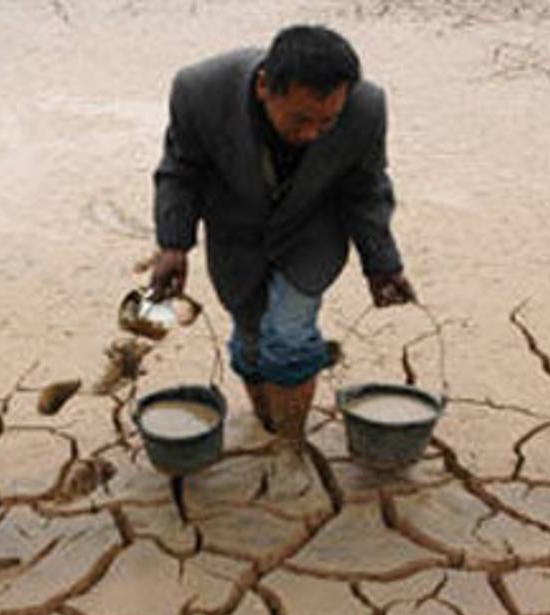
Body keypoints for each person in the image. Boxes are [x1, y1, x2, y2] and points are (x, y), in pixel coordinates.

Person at [149, 24, 415, 451]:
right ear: (263, 87)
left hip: (312, 232)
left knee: (288, 337)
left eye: (326, 122)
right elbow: (181, 172)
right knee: (251, 343)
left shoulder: (366, 107)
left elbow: (366, 190)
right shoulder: (200, 91)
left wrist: (382, 263)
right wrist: (173, 244)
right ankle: (268, 425)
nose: (312, 133)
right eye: (300, 120)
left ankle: (289, 446)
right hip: (237, 233)